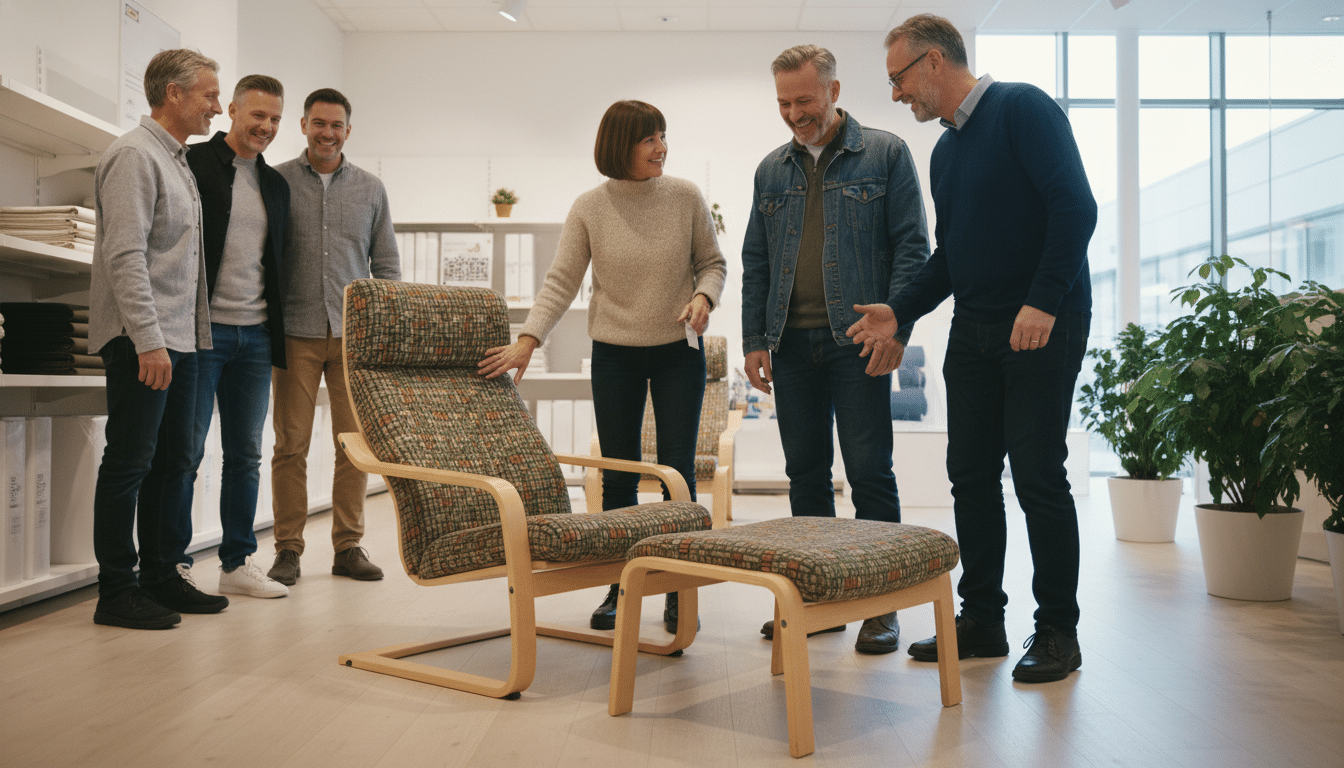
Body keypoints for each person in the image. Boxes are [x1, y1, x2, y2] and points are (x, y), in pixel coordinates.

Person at [849, 14, 1097, 682]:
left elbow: (1075, 207)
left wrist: (1043, 301)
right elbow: (952, 257)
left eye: (899, 78)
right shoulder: (947, 152)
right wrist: (898, 310)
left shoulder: (1023, 108)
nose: (898, 95)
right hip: (977, 327)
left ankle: (1058, 633)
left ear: (933, 62)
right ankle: (983, 620)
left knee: (1039, 476)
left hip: (1044, 322)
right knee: (971, 476)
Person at [477, 100, 726, 635]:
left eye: (663, 135)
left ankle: (679, 587)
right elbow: (562, 279)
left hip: (678, 349)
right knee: (618, 470)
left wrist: (704, 297)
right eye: (650, 139)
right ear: (621, 146)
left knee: (677, 472)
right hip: (615, 352)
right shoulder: (591, 206)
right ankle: (621, 582)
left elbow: (712, 262)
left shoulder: (684, 196)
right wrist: (528, 338)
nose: (662, 147)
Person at [740, 45, 929, 654]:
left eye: (805, 100)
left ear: (834, 90)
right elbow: (756, 261)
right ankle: (816, 602)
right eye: (784, 103)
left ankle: (882, 605)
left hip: (859, 342)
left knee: (870, 471)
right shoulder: (771, 169)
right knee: (806, 477)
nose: (795, 113)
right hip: (790, 345)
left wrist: (897, 326)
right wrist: (753, 341)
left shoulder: (886, 154)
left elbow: (911, 248)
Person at [89, 49, 222, 629]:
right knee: (130, 463)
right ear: (174, 94)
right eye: (210, 95)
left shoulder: (177, 160)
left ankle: (161, 575)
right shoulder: (134, 156)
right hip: (144, 340)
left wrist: (187, 339)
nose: (218, 105)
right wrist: (148, 341)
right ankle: (116, 591)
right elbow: (125, 256)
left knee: (174, 462)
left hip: (181, 340)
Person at [267, 88, 401, 586]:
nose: (327, 133)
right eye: (318, 123)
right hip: (294, 333)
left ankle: (348, 547)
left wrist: (383, 335)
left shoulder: (371, 189)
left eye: (337, 125)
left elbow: (386, 265)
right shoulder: (275, 181)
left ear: (348, 130)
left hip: (353, 339)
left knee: (354, 445)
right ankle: (287, 550)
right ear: (303, 125)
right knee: (291, 445)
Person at [177, 74, 291, 600]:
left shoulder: (275, 185)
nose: (265, 127)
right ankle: (173, 561)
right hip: (203, 333)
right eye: (257, 115)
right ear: (233, 112)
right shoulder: (193, 165)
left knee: (245, 453)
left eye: (273, 119)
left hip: (256, 336)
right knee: (186, 450)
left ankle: (237, 562)